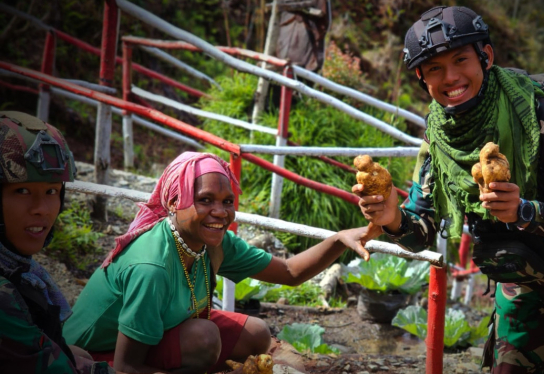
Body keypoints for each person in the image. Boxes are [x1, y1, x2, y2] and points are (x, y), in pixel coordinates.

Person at [353, 5, 544, 373]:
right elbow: (419, 234)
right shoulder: (438, 133)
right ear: (420, 78)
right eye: (435, 69)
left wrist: (524, 211)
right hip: (526, 278)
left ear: (486, 57)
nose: (451, 77)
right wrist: (394, 218)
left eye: (461, 60)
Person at [63, 151, 374, 374]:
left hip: (161, 332)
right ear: (174, 203)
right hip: (96, 355)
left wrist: (338, 239)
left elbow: (290, 272)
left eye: (227, 201)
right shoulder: (152, 267)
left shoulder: (212, 243)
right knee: (205, 337)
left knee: (256, 334)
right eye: (205, 200)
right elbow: (127, 366)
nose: (221, 212)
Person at [0, 111, 116, 373]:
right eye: (22, 191)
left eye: (52, 191)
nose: (41, 208)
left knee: (77, 353)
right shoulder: (4, 295)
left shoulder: (20, 271)